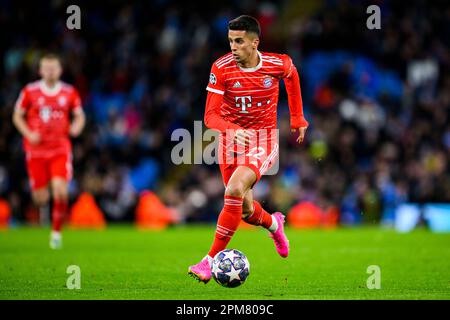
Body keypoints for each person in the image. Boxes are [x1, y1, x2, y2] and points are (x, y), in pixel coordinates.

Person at [188, 15, 308, 283]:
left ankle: (209, 261)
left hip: (263, 140)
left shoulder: (277, 63)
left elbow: (291, 75)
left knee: (233, 189)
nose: (233, 46)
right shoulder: (221, 68)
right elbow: (210, 117)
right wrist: (233, 131)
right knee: (244, 209)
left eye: (239, 41)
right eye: (230, 40)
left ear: (255, 43)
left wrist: (298, 117)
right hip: (230, 143)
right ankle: (275, 225)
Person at [12, 53, 85, 249]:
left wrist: (76, 127)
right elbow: (17, 116)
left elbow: (79, 116)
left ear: (60, 70)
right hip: (36, 151)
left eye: (54, 68)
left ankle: (56, 233)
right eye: (46, 68)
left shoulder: (69, 92)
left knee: (60, 191)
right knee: (40, 197)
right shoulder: (30, 91)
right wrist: (28, 133)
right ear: (40, 70)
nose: (50, 72)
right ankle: (40, 218)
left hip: (60, 149)